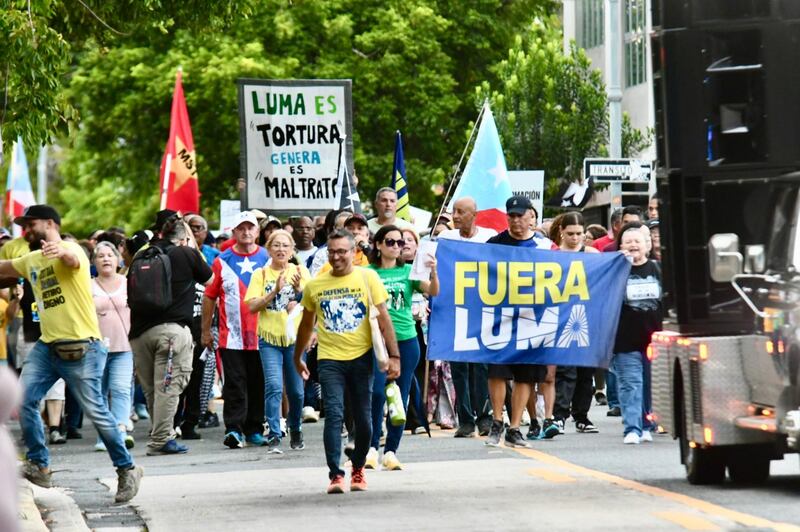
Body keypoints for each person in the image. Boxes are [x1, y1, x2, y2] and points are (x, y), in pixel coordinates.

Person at [0, 205, 142, 502]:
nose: (26, 229)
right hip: (47, 346)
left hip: (83, 347)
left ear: (50, 223)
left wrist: (61, 252)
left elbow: (73, 261)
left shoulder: (72, 250)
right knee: (22, 399)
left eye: (31, 223)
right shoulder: (31, 259)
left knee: (97, 413)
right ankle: (40, 464)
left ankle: (127, 469)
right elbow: (4, 268)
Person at [293, 229, 401, 494]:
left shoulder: (368, 277)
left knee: (364, 422)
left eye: (342, 251)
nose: (336, 256)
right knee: (334, 415)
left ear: (354, 252)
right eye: (332, 251)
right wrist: (298, 357)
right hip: (330, 359)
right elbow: (307, 325)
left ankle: (358, 467)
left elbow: (384, 319)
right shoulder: (315, 285)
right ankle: (335, 474)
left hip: (362, 358)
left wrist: (394, 355)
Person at [129, 214, 213, 456]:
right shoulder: (186, 253)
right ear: (184, 238)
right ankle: (162, 440)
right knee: (168, 386)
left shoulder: (143, 254)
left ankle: (159, 434)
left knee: (152, 390)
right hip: (172, 333)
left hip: (139, 334)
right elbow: (210, 281)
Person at [485, 196, 558, 447]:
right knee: (497, 369)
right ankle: (497, 420)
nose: (516, 220)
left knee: (526, 375)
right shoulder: (494, 243)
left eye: (520, 215)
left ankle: (515, 427)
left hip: (533, 321)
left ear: (531, 216)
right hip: (501, 319)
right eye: (511, 216)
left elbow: (565, 274)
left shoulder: (546, 247)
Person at [366, 225, 438, 470]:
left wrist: (434, 271)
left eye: (400, 242)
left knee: (400, 397)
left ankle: (391, 451)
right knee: (376, 394)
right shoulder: (367, 272)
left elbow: (435, 292)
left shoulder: (410, 272)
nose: (397, 246)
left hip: (407, 340)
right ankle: (372, 448)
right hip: (376, 341)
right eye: (390, 241)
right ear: (377, 244)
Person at [203, 211, 269, 449]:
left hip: (263, 335)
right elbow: (209, 297)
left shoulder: (268, 258)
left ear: (257, 231)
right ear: (234, 232)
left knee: (258, 382)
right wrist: (205, 331)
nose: (246, 232)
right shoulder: (221, 260)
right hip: (231, 335)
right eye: (241, 228)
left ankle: (254, 428)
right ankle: (233, 429)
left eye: (250, 228)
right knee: (235, 383)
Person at [246, 229, 310, 454]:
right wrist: (274, 291)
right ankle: (274, 432)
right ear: (268, 249)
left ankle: (296, 429)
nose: (281, 249)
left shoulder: (301, 271)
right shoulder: (260, 275)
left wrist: (299, 293)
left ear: (292, 249)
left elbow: (313, 301)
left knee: (296, 391)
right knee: (273, 386)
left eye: (285, 245)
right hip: (269, 338)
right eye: (276, 245)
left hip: (294, 338)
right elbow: (252, 306)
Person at [438, 197, 495, 437]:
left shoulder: (489, 237)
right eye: (454, 212)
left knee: (481, 366)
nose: (456, 216)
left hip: (481, 309)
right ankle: (465, 420)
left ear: (475, 214)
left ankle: (484, 417)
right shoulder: (446, 239)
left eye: (461, 212)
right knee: (459, 366)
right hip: (454, 310)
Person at [549, 212, 601, 435]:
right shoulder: (552, 255)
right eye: (570, 233)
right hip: (562, 316)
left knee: (585, 371)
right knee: (565, 369)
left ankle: (582, 415)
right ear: (561, 231)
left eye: (579, 234)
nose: (575, 238)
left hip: (586, 316)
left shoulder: (592, 254)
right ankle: (559, 415)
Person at [612, 222, 662, 444]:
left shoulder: (658, 269)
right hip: (625, 339)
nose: (633, 245)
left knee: (651, 384)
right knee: (630, 383)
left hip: (655, 340)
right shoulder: (613, 271)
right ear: (620, 245)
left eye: (637, 241)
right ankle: (632, 428)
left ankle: (646, 424)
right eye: (628, 241)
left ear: (646, 246)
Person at [91, 241, 135, 451]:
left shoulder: (129, 282)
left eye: (110, 255)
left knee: (120, 389)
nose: (106, 259)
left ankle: (120, 430)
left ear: (118, 260)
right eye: (101, 256)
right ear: (94, 262)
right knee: (98, 393)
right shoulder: (87, 285)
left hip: (124, 346)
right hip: (95, 348)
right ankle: (103, 435)